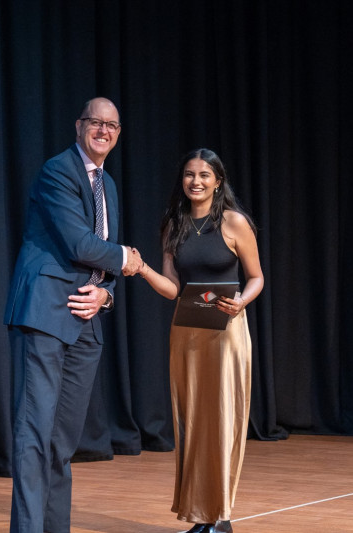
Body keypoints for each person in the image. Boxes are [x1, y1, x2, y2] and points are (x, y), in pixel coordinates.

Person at [4, 97, 143, 533]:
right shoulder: (58, 171)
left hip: (86, 321)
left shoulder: (108, 185)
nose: (103, 131)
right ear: (79, 126)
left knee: (62, 441)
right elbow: (81, 244)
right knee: (34, 433)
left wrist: (106, 295)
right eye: (95, 122)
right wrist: (128, 258)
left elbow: (102, 261)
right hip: (45, 313)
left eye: (112, 126)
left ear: (118, 135)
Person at [132, 148, 263, 533]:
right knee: (191, 422)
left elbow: (256, 277)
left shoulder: (234, 222)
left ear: (218, 181)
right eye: (190, 174)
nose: (196, 181)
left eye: (205, 175)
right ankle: (200, 514)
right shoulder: (174, 224)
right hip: (187, 330)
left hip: (226, 330)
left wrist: (241, 302)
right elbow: (173, 288)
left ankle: (220, 515)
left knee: (221, 420)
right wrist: (142, 269)